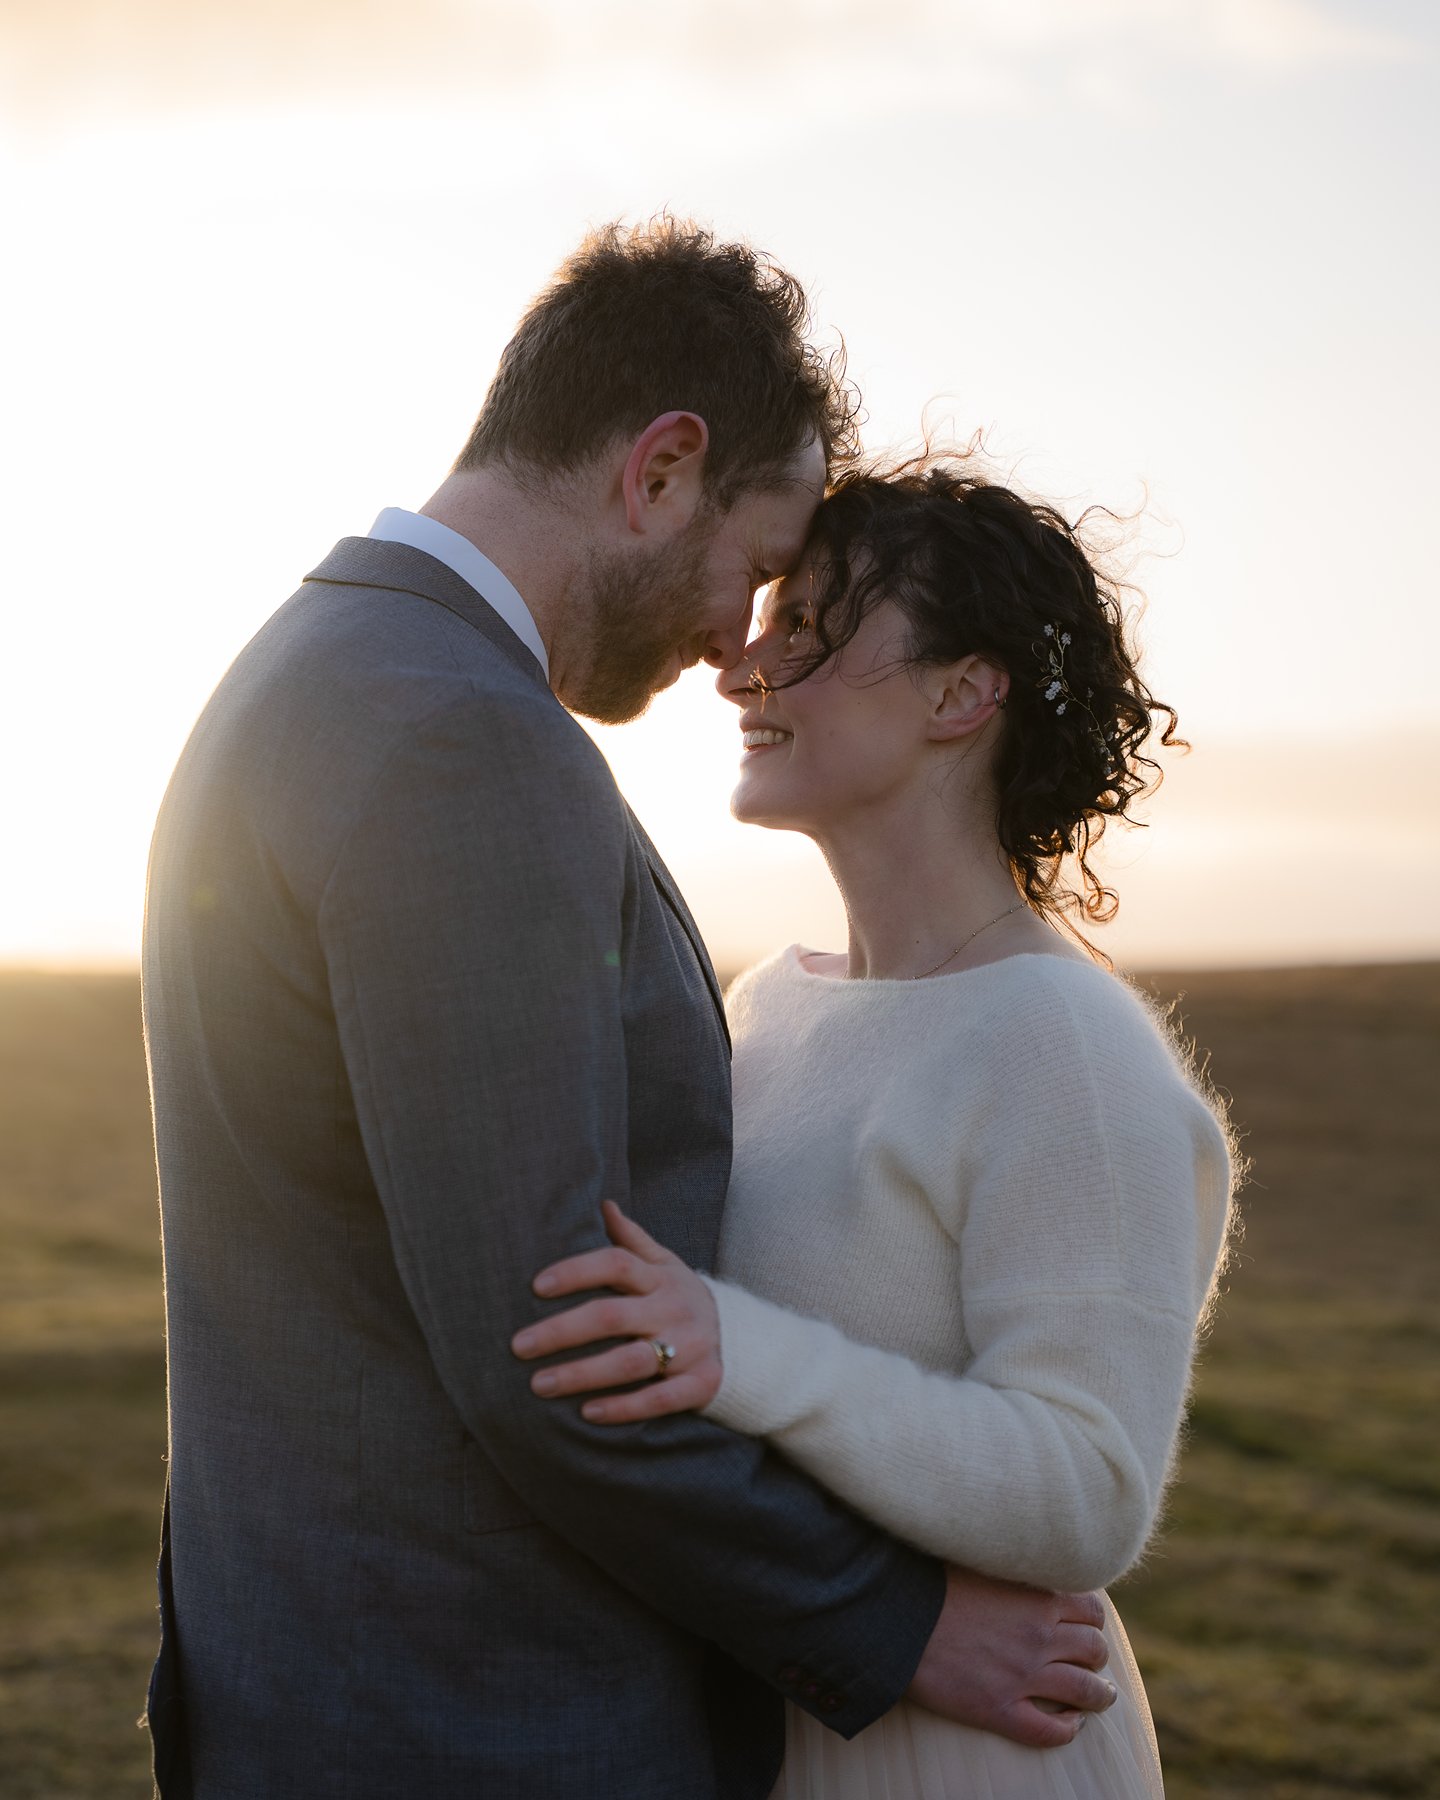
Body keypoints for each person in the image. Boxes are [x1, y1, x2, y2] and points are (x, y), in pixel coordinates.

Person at [141, 225, 1118, 1800]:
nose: (739, 643)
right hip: (484, 1722)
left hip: (318, 1685)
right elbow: (555, 1345)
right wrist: (893, 1624)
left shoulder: (318, 661)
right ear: (661, 472)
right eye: (754, 566)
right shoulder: (464, 741)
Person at [510, 457, 1236, 1799]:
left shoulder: (1067, 1052)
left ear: (962, 696)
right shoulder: (765, 1005)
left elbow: (1087, 1487)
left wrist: (734, 1348)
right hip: (771, 1709)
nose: (742, 672)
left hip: (970, 1746)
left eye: (812, 625)